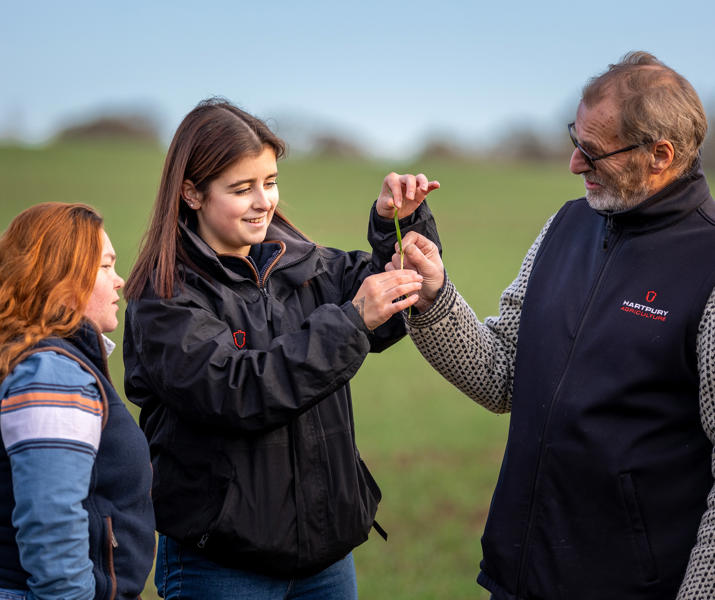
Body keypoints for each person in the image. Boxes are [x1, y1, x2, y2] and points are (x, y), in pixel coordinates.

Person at [390, 51, 715, 599]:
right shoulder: (564, 226)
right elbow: (501, 374)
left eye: (592, 150)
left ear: (660, 155)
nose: (573, 163)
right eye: (574, 138)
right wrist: (434, 298)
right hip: (520, 577)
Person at [122, 98, 440, 599]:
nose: (263, 201)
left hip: (327, 560)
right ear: (191, 193)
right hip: (222, 563)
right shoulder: (166, 297)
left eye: (269, 182)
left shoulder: (305, 263)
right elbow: (236, 391)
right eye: (241, 188)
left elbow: (390, 299)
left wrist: (398, 226)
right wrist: (352, 320)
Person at [0, 203, 155, 599]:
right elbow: (51, 524)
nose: (119, 281)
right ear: (63, 283)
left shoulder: (35, 359)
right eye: (106, 266)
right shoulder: (51, 373)